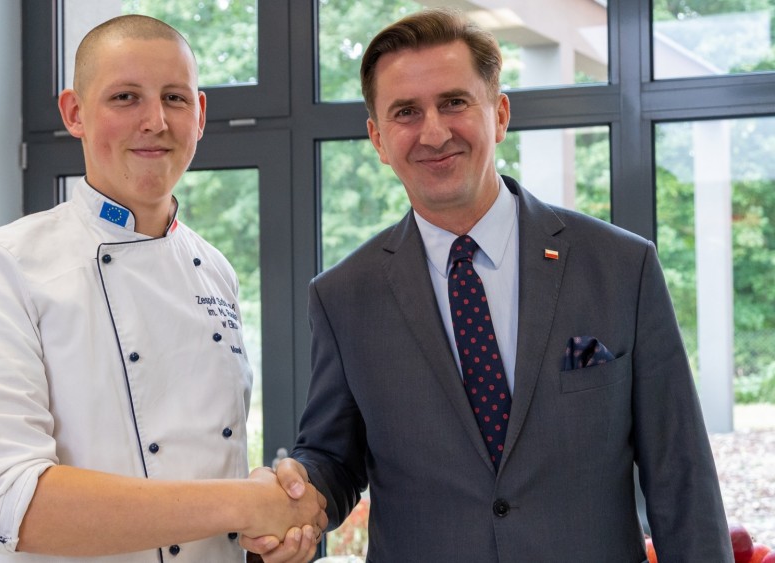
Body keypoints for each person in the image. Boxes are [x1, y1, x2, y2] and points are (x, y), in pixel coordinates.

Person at [243, 7, 733, 562]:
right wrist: (297, 495)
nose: (434, 132)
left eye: (454, 102)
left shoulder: (621, 266)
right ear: (378, 139)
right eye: (406, 112)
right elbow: (334, 460)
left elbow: (681, 474)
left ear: (499, 115)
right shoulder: (343, 296)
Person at [0, 15, 325, 563]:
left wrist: (273, 529)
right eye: (125, 97)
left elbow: (211, 467)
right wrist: (246, 503)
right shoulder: (2, 266)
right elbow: (6, 503)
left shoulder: (215, 270)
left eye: (174, 98)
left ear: (200, 115)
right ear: (74, 113)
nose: (155, 121)